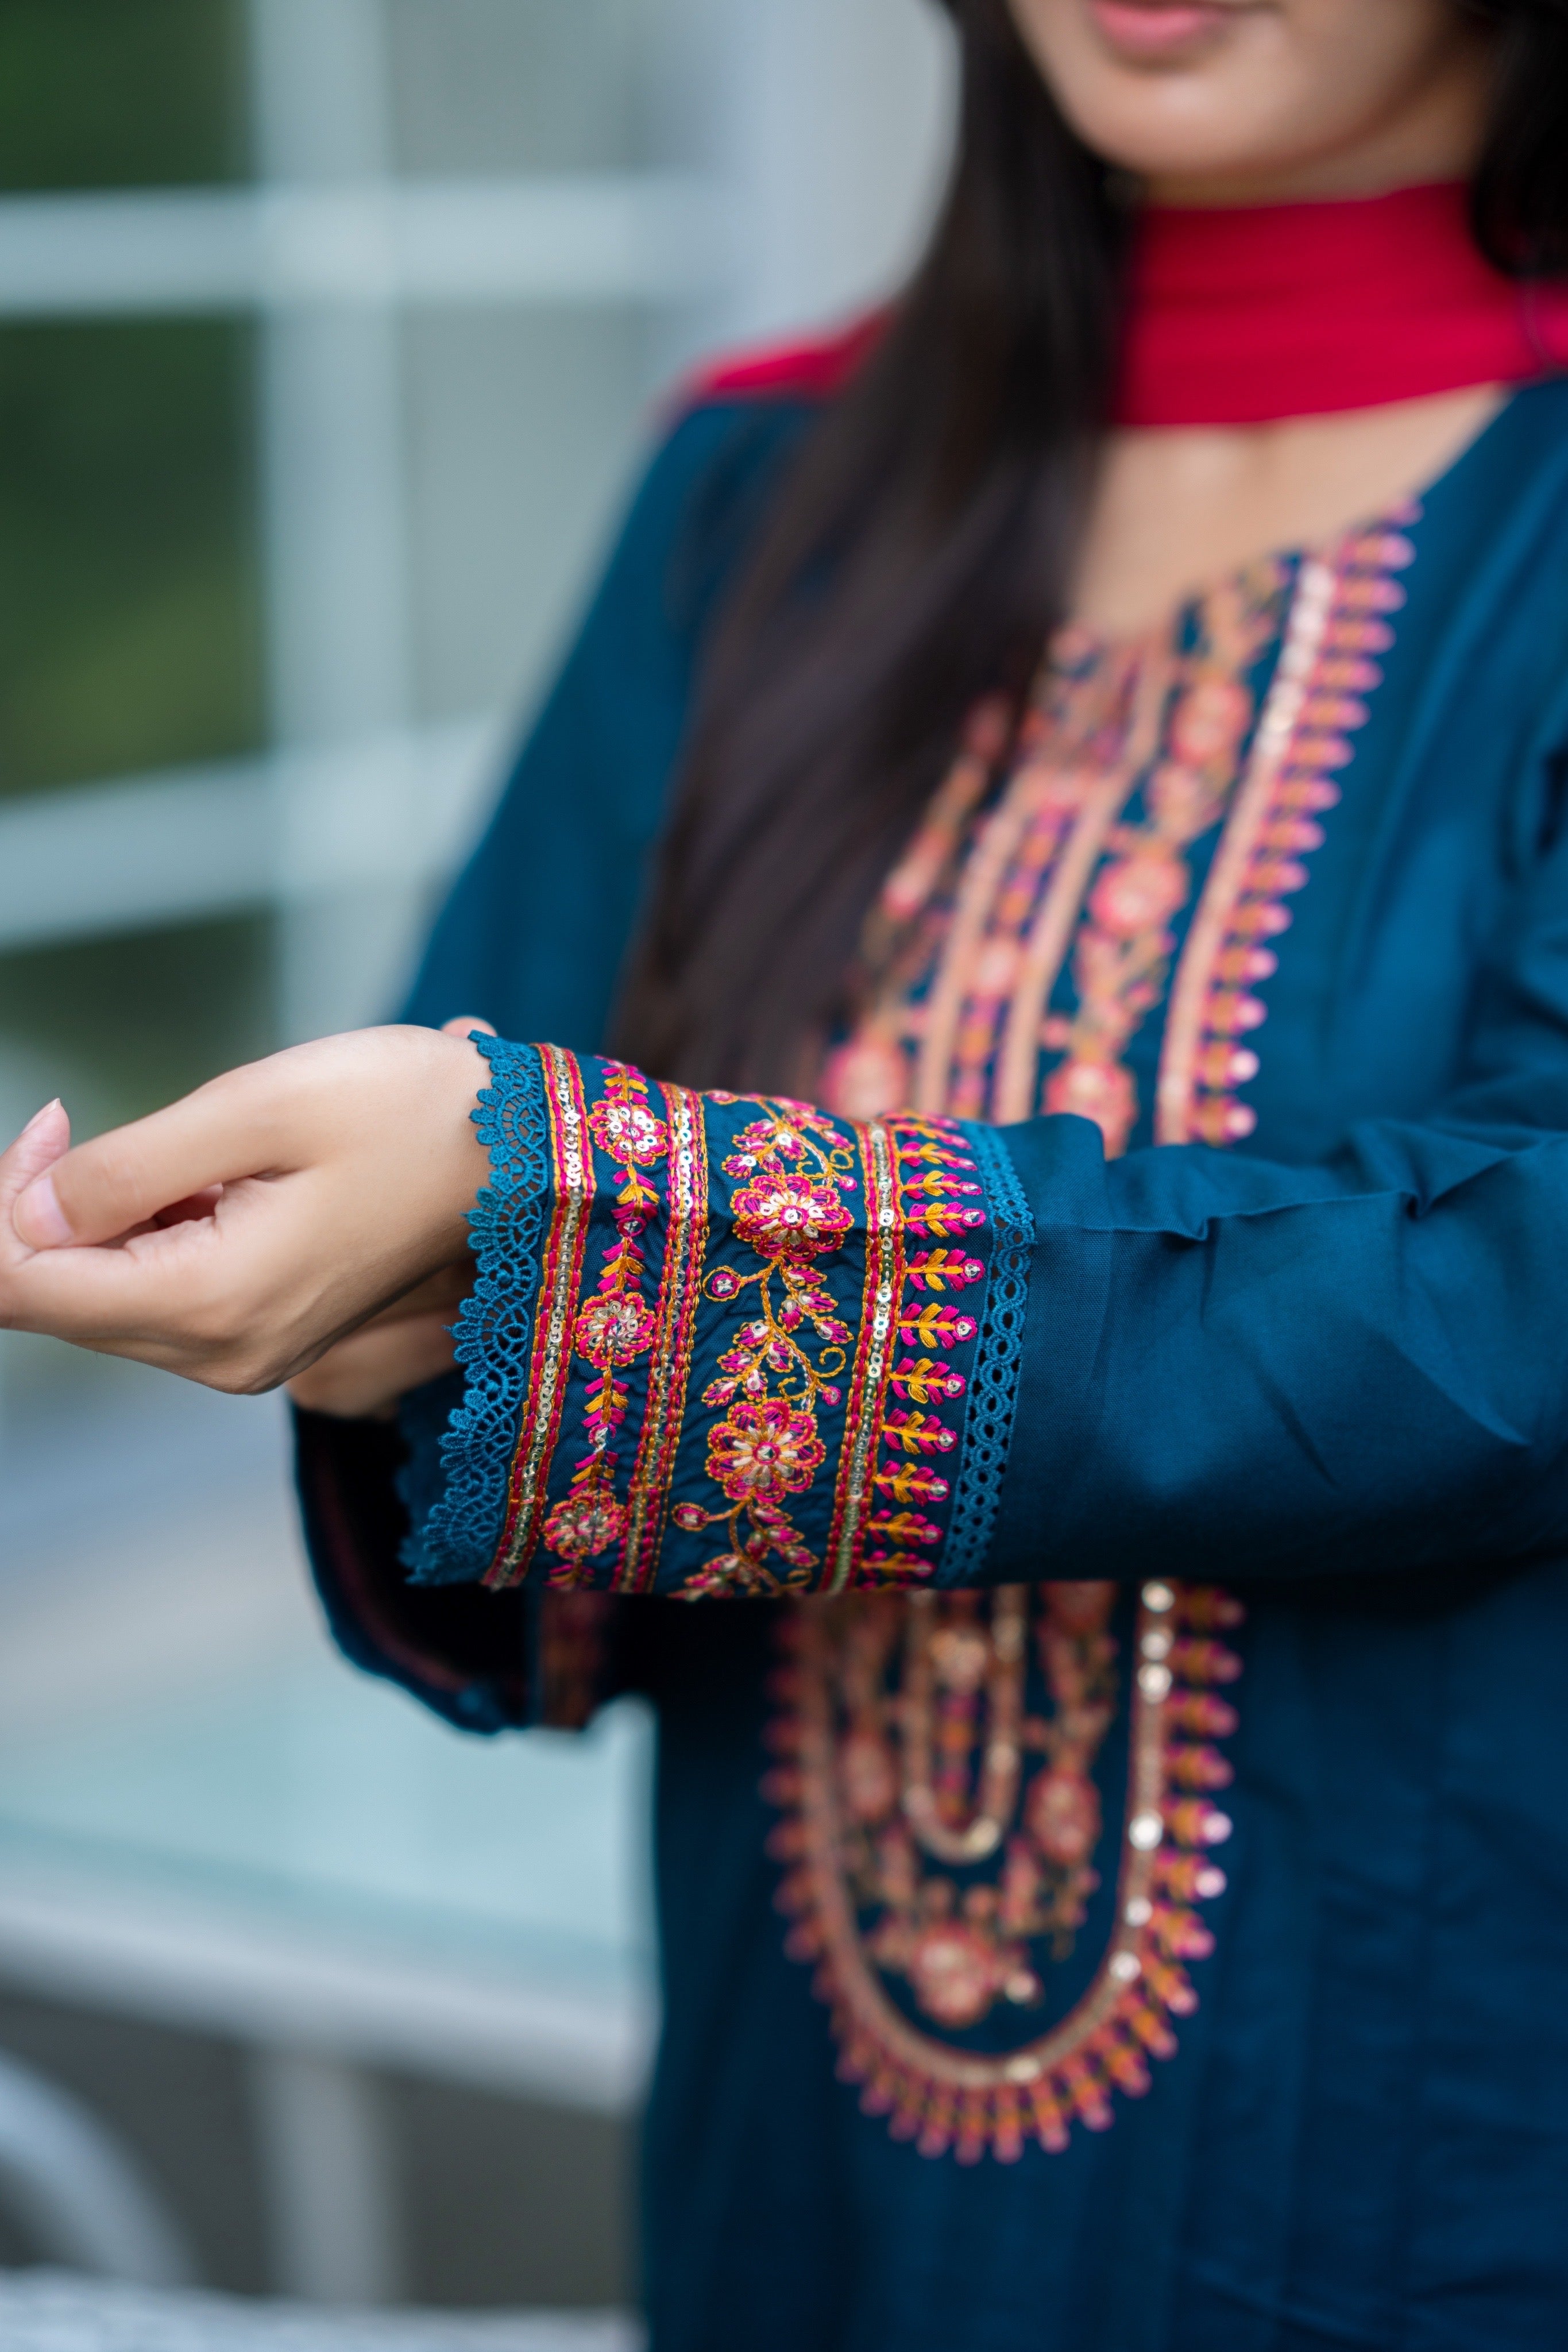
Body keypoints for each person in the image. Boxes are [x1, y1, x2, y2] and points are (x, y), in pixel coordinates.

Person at [5, 0, 1568, 2342]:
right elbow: (499, 1166)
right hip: (801, 2154)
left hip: (1431, 2144)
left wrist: (645, 1245)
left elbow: (1519, 1277)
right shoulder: (761, 487)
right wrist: (381, 1298)